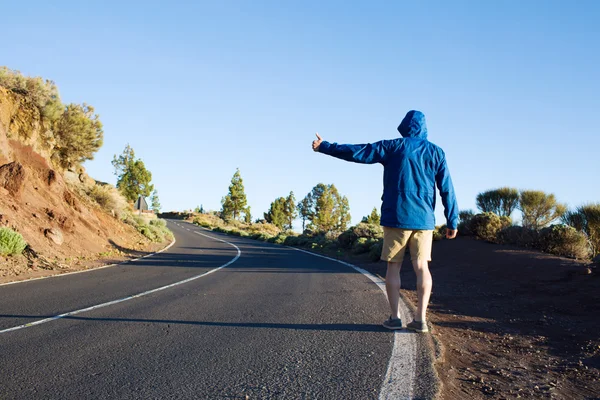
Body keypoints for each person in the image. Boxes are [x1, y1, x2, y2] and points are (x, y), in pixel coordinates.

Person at [312, 110, 458, 333]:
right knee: (421, 267)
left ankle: (395, 318)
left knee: (394, 266)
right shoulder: (436, 152)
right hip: (424, 220)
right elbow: (447, 188)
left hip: (396, 216)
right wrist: (452, 220)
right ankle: (420, 320)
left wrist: (325, 146)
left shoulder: (393, 147)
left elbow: (360, 152)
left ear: (404, 126)